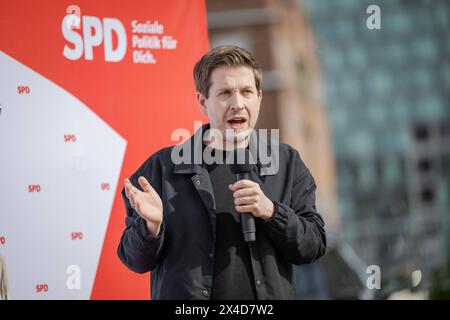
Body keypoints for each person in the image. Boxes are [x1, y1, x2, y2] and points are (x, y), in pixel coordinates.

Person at [117, 45, 326, 300]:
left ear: (259, 97)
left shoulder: (287, 163)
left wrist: (273, 213)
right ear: (203, 102)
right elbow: (135, 261)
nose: (238, 104)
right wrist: (151, 227)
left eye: (247, 92)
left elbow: (313, 246)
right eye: (225, 93)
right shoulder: (161, 169)